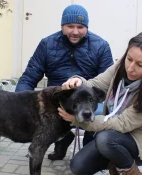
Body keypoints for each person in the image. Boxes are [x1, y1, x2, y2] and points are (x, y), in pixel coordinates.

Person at [59, 31, 142, 175]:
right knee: (78, 165)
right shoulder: (120, 68)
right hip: (115, 137)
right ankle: (114, 165)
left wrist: (78, 120)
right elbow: (96, 85)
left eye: (140, 64)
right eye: (129, 59)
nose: (131, 68)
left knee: (105, 139)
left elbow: (122, 124)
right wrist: (78, 82)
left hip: (140, 142)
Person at [15, 4, 114, 161]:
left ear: (86, 27)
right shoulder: (47, 44)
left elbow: (109, 82)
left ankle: (91, 147)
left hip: (87, 100)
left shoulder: (101, 46)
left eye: (80, 27)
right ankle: (62, 138)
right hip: (57, 99)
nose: (75, 32)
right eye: (70, 26)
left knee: (100, 111)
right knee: (40, 112)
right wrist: (19, 102)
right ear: (62, 26)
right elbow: (29, 76)